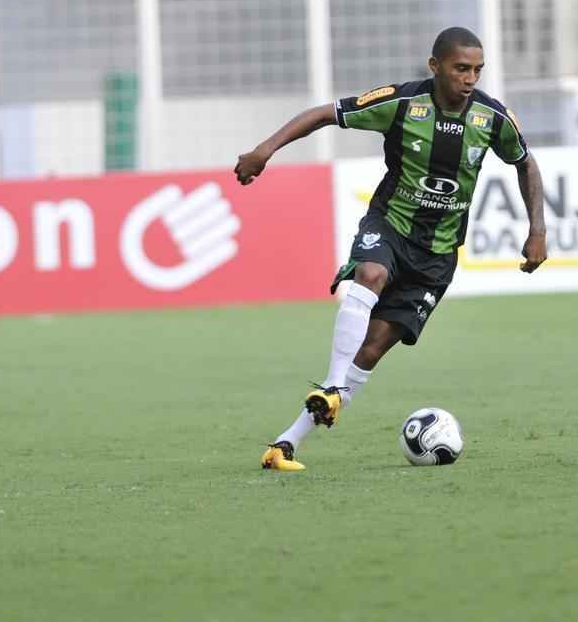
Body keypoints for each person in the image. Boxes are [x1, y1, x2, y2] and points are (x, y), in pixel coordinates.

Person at [234, 27, 549, 471]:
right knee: (371, 275)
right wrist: (264, 150)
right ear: (435, 66)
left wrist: (538, 229)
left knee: (371, 349)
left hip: (436, 256)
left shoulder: (492, 118)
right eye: (461, 68)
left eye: (477, 69)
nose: (470, 78)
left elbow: (525, 163)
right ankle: (329, 387)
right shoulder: (401, 103)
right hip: (390, 226)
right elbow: (324, 114)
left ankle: (285, 444)